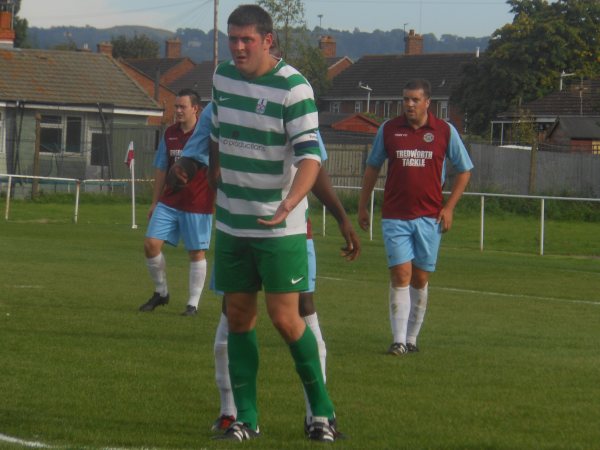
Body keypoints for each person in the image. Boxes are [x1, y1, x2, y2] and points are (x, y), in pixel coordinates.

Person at [209, 4, 342, 442]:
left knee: (286, 320)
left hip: (278, 227)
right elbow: (215, 138)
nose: (239, 47)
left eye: (247, 39)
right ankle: (245, 418)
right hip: (232, 224)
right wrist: (215, 187)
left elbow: (310, 157)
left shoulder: (294, 88)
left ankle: (321, 413)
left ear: (268, 40)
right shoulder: (221, 78)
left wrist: (289, 203)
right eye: (233, 38)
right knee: (238, 317)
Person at [211, 131, 360, 435]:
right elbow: (208, 157)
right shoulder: (223, 98)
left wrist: (341, 216)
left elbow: (313, 165)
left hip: (288, 231)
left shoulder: (293, 97)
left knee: (297, 312)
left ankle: (318, 416)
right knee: (234, 312)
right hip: (237, 228)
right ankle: (234, 413)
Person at [358, 78, 473, 356]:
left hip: (430, 218)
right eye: (405, 99)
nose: (408, 104)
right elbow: (372, 168)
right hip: (395, 216)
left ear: (427, 102)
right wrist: (363, 205)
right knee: (401, 274)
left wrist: (449, 208)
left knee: (420, 279)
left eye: (414, 99)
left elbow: (465, 170)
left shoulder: (444, 131)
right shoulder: (389, 130)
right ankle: (397, 340)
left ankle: (411, 338)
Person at [139, 90, 215, 316]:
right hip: (169, 201)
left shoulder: (207, 134)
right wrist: (154, 202)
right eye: (176, 107)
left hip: (197, 203)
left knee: (196, 252)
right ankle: (161, 292)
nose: (178, 111)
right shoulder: (169, 134)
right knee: (151, 244)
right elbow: (162, 166)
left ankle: (193, 304)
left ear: (196, 109)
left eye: (183, 107)